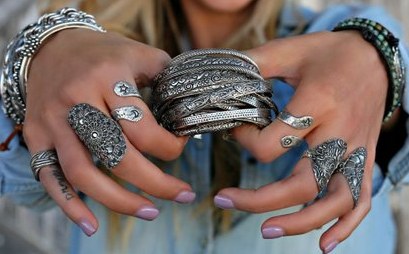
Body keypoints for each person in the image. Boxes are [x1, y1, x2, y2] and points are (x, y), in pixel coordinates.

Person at [0, 0, 408, 253]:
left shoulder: (348, 36)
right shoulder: (84, 51)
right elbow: (20, 183)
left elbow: (388, 62)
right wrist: (34, 61)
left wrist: (381, 67)